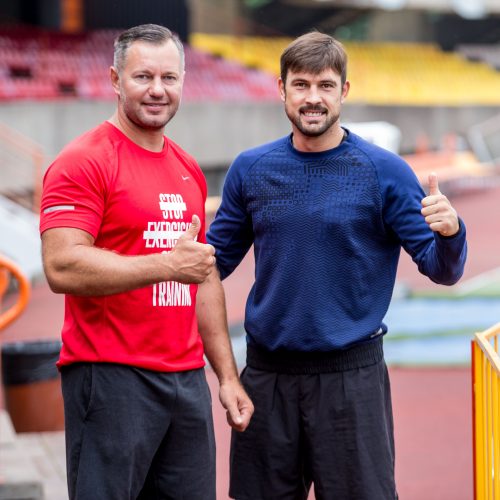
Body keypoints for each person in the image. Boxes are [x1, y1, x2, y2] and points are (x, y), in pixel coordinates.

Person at [207, 31, 467, 500]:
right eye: (301, 85)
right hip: (267, 380)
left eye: (325, 85)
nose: (312, 98)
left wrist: (451, 232)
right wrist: (169, 261)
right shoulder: (251, 169)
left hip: (352, 381)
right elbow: (211, 264)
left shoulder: (383, 171)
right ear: (281, 89)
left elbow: (442, 269)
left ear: (343, 91)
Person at [39, 24, 253, 500]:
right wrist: (164, 266)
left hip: (186, 382)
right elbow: (62, 266)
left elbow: (202, 276)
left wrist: (227, 377)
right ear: (116, 80)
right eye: (143, 77)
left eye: (169, 78)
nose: (158, 90)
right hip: (111, 376)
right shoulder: (83, 162)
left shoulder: (188, 169)